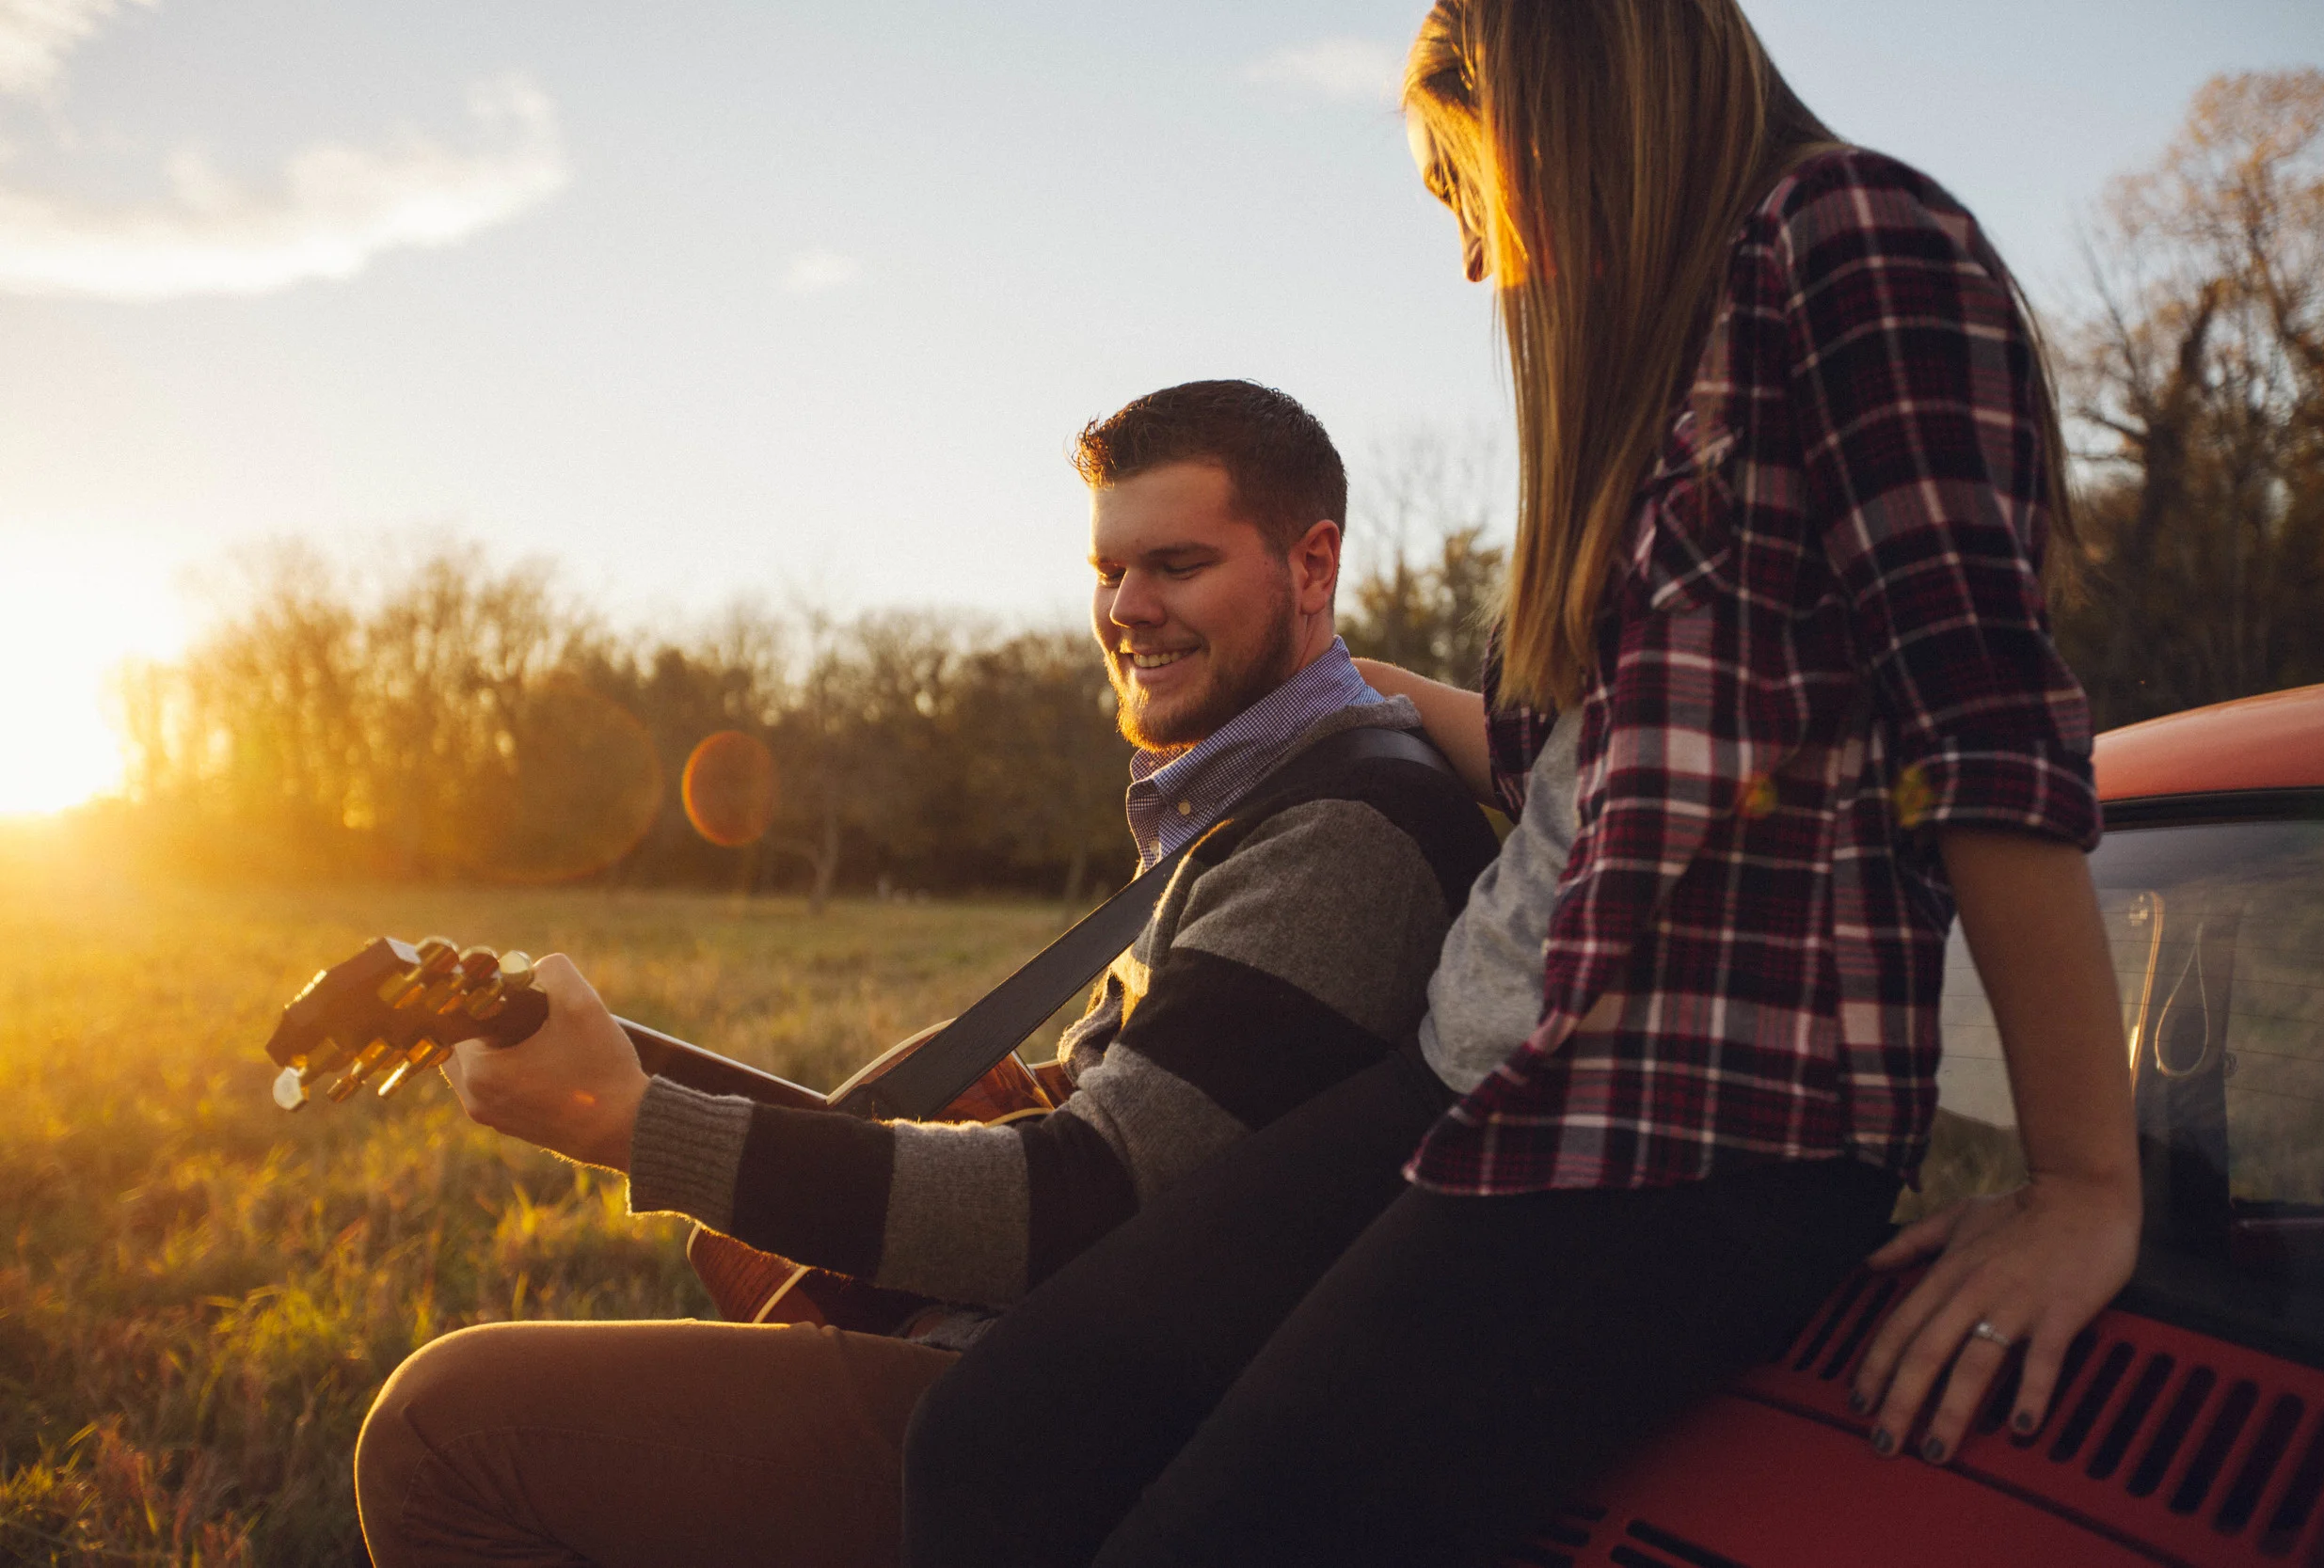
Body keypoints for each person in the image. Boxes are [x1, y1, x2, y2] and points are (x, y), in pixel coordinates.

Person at [900, 4, 2141, 1564]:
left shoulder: (1851, 239)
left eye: (1458, 185)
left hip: (1694, 1123)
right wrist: (1340, 688)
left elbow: (1986, 715)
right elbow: (1581, 772)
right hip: (1477, 1065)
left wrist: (2083, 1177)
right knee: (1003, 1430)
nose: (1476, 260)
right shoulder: (1661, 374)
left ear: (1554, 98)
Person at [352, 380, 1500, 1567]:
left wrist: (632, 1123)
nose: (1127, 609)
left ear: (1312, 567)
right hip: (1049, 1369)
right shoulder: (1268, 797)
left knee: (444, 1429)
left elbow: (1086, 1205)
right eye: (1108, 571)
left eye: (1176, 563)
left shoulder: (1339, 832)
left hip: (1083, 1435)